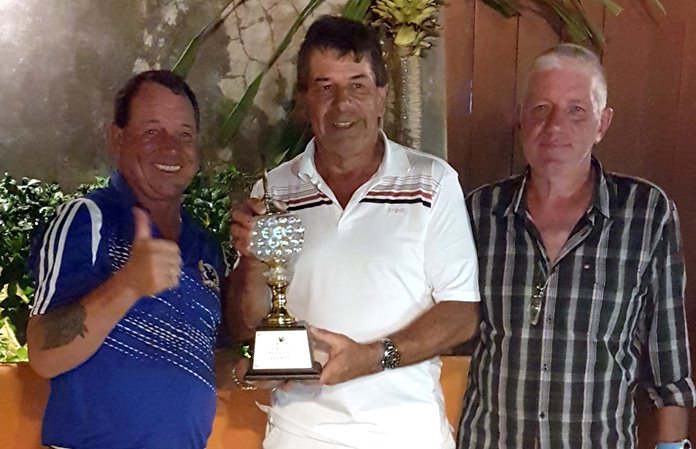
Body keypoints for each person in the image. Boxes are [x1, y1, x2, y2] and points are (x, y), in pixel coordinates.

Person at [228, 15, 480, 449]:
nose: (342, 104)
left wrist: (372, 357)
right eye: (325, 87)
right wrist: (251, 260)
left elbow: (461, 313)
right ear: (305, 100)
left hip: (407, 435)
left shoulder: (433, 182)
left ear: (382, 95)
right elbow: (246, 325)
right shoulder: (272, 190)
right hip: (298, 435)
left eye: (358, 85)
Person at [458, 43, 695, 449]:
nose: (554, 127)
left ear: (602, 123)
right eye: (541, 108)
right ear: (520, 118)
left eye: (576, 110)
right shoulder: (480, 212)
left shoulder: (646, 213)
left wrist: (672, 447)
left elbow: (668, 363)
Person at [27, 70, 227, 449]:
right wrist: (129, 284)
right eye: (152, 132)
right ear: (117, 139)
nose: (171, 148)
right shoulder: (88, 218)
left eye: (184, 135)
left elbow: (193, 357)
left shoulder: (206, 246)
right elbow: (43, 352)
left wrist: (245, 367)